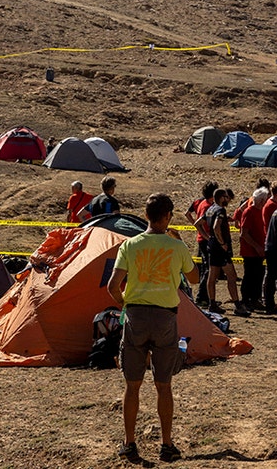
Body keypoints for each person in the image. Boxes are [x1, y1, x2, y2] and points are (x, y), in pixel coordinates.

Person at [105, 193, 199, 463]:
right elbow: (194, 277)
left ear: (145, 215)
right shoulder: (175, 247)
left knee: (132, 386)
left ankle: (129, 443)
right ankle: (167, 444)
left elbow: (113, 287)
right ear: (168, 217)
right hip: (165, 319)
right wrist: (181, 245)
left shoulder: (130, 245)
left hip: (135, 316)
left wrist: (126, 306)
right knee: (163, 385)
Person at [204, 189, 250, 316]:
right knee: (232, 276)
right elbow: (216, 226)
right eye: (226, 197)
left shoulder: (210, 209)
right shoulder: (220, 210)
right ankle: (237, 305)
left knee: (212, 276)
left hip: (212, 246)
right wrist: (222, 242)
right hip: (221, 249)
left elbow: (199, 223)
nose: (228, 199)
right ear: (221, 197)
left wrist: (209, 237)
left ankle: (212, 303)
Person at [233, 186, 269, 311]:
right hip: (250, 251)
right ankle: (246, 300)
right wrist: (257, 246)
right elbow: (244, 233)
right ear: (261, 200)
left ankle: (255, 299)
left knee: (259, 275)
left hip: (258, 251)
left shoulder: (260, 212)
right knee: (249, 276)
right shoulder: (249, 212)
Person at [189, 181, 218, 305]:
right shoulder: (207, 206)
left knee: (207, 268)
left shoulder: (203, 203)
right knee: (209, 269)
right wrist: (208, 237)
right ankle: (202, 297)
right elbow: (199, 223)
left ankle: (204, 296)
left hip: (203, 239)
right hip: (205, 240)